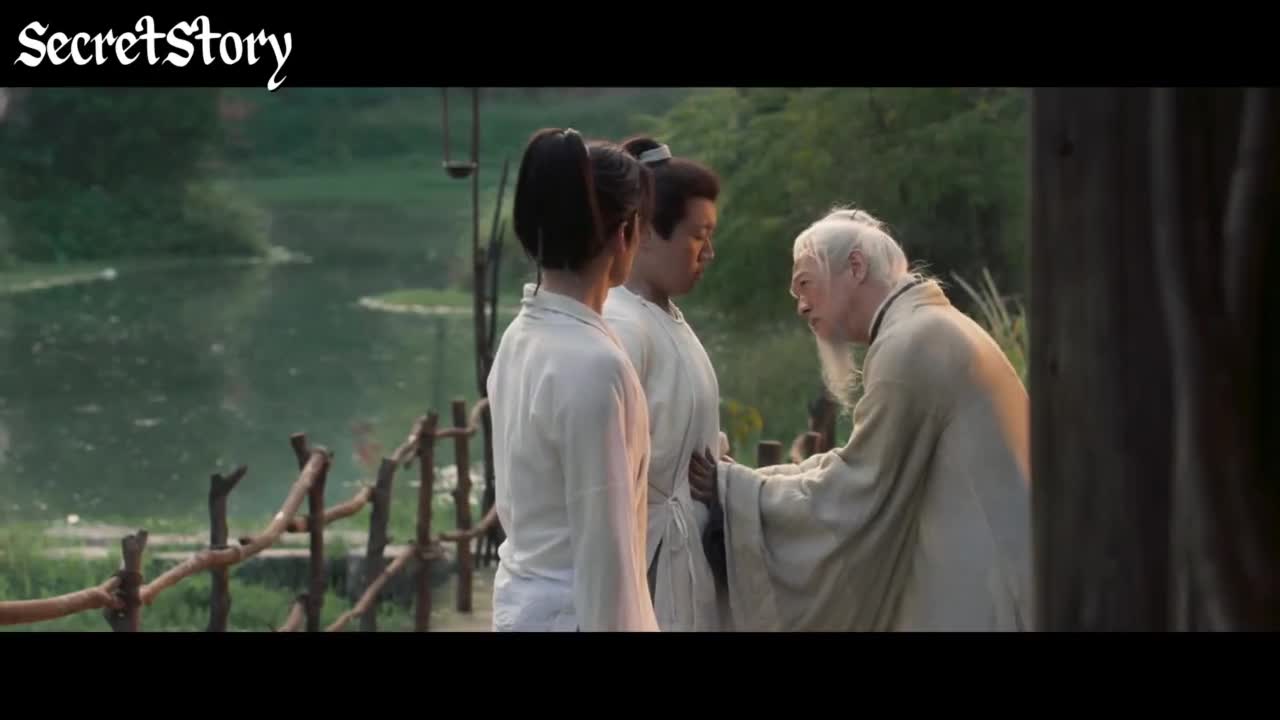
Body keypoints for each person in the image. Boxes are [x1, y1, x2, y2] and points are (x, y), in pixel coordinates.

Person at [688, 207, 1032, 632]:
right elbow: (862, 462)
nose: (801, 306)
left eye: (805, 285)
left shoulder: (912, 344)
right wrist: (753, 480)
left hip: (991, 587)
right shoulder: (927, 326)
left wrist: (735, 491)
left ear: (854, 267)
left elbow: (858, 486)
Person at [487, 128, 659, 632]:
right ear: (624, 233)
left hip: (526, 605)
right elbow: (607, 559)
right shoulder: (594, 365)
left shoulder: (521, 336)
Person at [601, 136, 726, 631]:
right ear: (647, 231)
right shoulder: (622, 325)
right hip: (647, 559)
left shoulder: (663, 315)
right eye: (698, 236)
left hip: (684, 550)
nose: (707, 253)